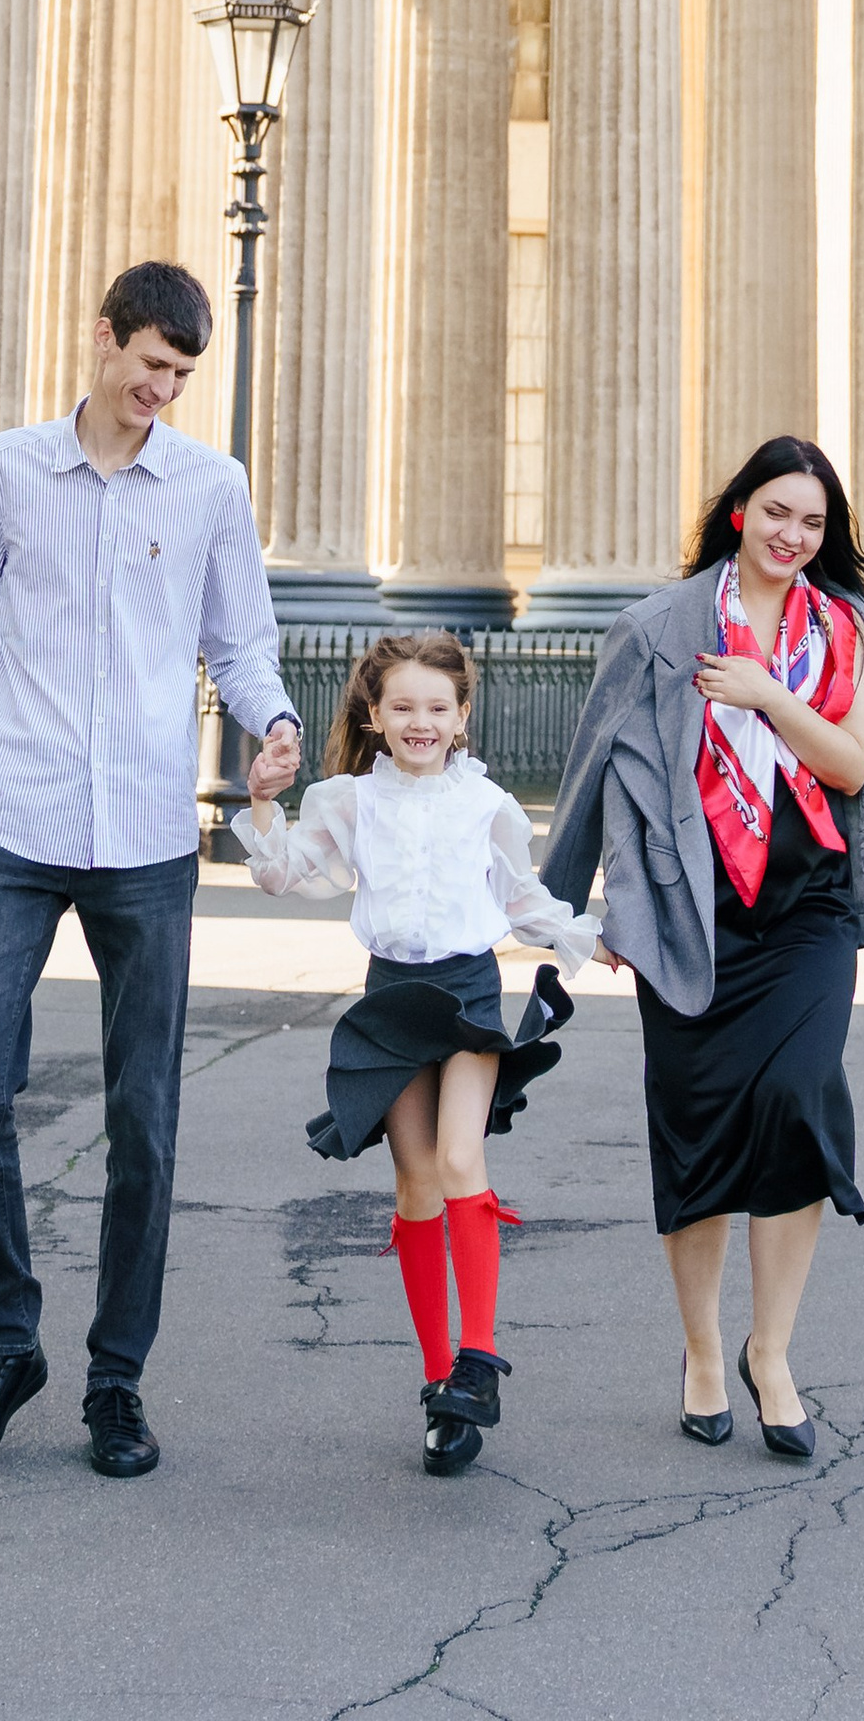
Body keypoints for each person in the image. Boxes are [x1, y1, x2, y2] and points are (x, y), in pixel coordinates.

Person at [0, 259, 302, 1484]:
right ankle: (9, 1344)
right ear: (103, 338)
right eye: (150, 364)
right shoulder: (6, 472)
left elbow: (242, 641)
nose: (161, 390)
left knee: (145, 1123)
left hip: (152, 844)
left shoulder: (209, 485)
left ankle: (117, 1381)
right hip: (17, 829)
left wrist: (273, 728)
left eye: (180, 375)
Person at [541, 438, 864, 1462]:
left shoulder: (840, 629)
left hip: (808, 913)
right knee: (698, 1135)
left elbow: (852, 765)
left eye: (811, 523)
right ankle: (702, 1352)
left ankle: (772, 1353)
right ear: (738, 512)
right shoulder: (660, 629)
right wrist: (580, 913)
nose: (792, 537)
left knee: (798, 1106)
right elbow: (594, 771)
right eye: (776, 513)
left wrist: (768, 693)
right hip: (693, 912)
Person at [237, 631, 597, 1477]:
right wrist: (261, 802)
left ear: (463, 717)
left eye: (438, 708)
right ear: (375, 714)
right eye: (403, 707)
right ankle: (440, 1388)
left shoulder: (487, 803)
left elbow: (518, 896)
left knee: (462, 1157)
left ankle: (478, 1363)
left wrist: (588, 939)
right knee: (416, 1182)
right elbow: (282, 871)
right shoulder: (349, 802)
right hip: (392, 998)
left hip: (469, 993)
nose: (421, 721)